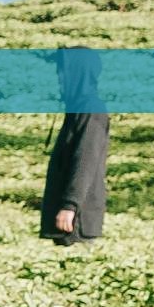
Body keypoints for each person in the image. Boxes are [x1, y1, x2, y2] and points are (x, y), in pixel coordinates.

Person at [40, 46, 107, 245]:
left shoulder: (91, 109)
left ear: (78, 73)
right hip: (72, 219)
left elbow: (85, 160)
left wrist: (70, 206)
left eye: (63, 71)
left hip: (77, 222)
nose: (59, 77)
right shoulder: (77, 108)